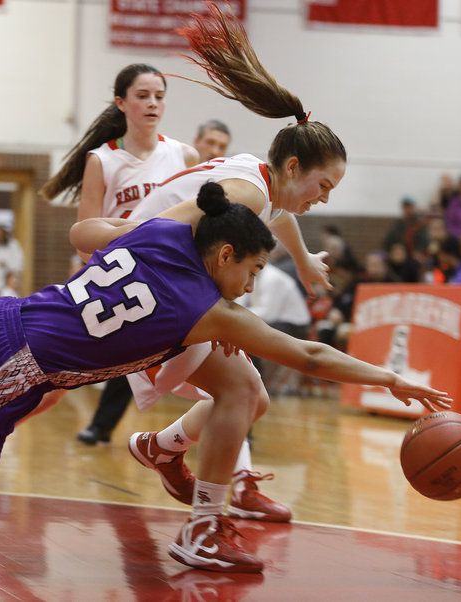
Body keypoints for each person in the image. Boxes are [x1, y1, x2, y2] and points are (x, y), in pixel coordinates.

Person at [0, 183, 452, 574]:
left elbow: (90, 234)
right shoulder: (208, 308)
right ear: (225, 254)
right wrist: (391, 378)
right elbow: (312, 356)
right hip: (10, 368)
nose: (250, 285)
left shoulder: (160, 232)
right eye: (250, 270)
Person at [121, 3, 346, 529]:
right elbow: (169, 231)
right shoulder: (244, 190)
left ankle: (162, 449)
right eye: (324, 186)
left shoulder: (261, 183)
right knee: (242, 393)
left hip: (156, 287)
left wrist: (304, 259)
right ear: (294, 166)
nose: (324, 199)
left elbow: (279, 213)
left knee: (251, 399)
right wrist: (216, 305)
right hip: (142, 288)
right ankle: (205, 524)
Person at [40, 62, 200, 446]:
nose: (152, 104)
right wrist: (139, 238)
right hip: (115, 285)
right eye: (142, 96)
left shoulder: (185, 156)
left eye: (159, 96)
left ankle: (191, 455)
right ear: (121, 103)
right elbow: (83, 239)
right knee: (58, 377)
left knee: (222, 380)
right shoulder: (102, 160)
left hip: (170, 289)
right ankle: (0, 422)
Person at [236, 262, 311, 396]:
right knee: (239, 331)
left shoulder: (273, 278)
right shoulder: (249, 274)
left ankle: (257, 382)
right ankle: (248, 380)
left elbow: (268, 313)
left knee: (249, 335)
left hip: (294, 324)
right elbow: (238, 303)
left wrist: (236, 315)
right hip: (273, 320)